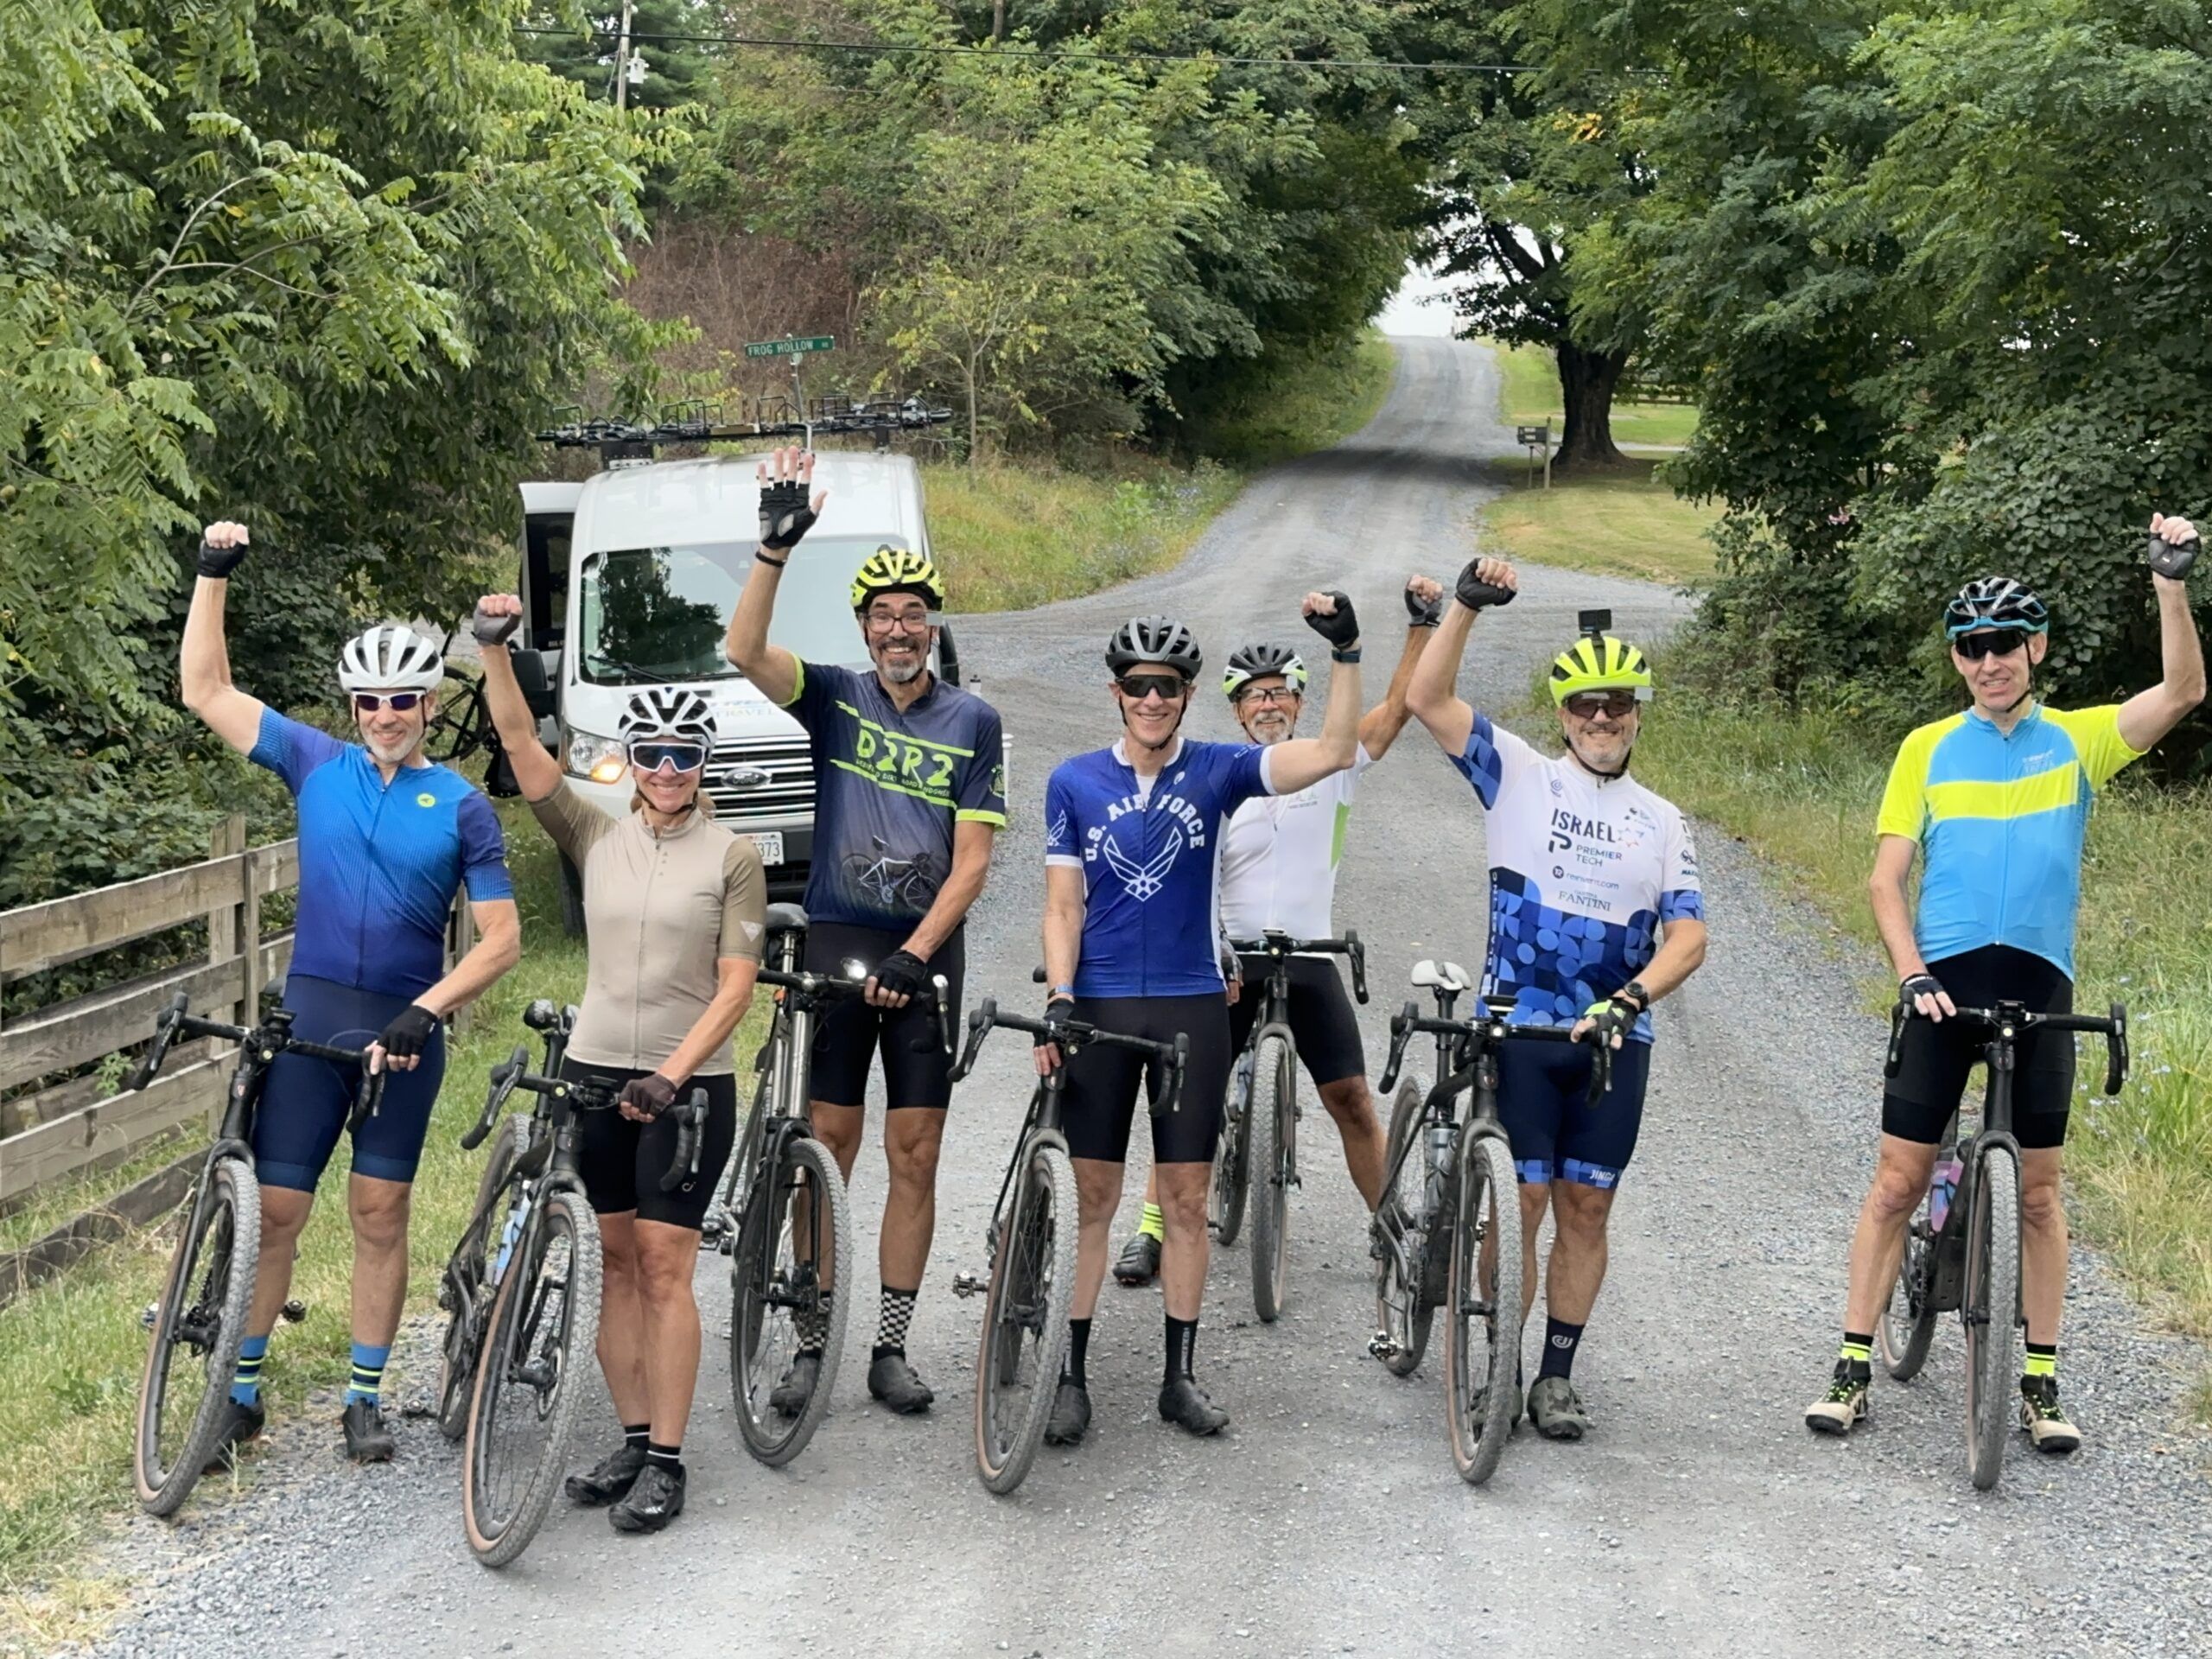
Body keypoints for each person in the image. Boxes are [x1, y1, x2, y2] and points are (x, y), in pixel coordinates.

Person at [1806, 523, 2204, 1451]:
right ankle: (1851, 1362)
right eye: (1970, 646)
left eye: (2003, 643)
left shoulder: (2075, 742)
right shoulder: (1927, 749)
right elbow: (1882, 879)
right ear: (1956, 657)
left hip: (2039, 989)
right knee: (1895, 1180)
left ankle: (2038, 1381)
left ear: (2036, 649)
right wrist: (1909, 974)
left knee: (2037, 1193)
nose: (1987, 661)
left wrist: (2168, 586)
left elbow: (2184, 692)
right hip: (1940, 985)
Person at [178, 522, 520, 1464]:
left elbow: (503, 940)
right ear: (353, 704)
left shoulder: (460, 803)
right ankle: (238, 1390)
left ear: (427, 702)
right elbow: (204, 689)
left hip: (405, 1034)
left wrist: (429, 1008)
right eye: (371, 700)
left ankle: (364, 1396)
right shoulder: (313, 763)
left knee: (379, 1214)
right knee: (279, 1213)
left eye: (403, 700)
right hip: (313, 1021)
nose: (386, 714)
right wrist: (213, 576)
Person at [1037, 600, 1364, 1445]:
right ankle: (1067, 1376)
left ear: (1188, 696)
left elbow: (1330, 752)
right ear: (1117, 693)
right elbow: (1063, 903)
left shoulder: (1219, 771)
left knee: (1184, 1200)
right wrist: (1060, 999)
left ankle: (1178, 1378)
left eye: (1170, 687)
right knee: (1094, 1199)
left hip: (1190, 1004)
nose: (1153, 700)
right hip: (1104, 1006)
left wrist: (1347, 652)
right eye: (1140, 686)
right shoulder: (1073, 782)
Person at [722, 447, 1007, 1417]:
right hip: (841, 937)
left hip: (922, 951)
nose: (898, 629)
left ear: (932, 626)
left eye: (913, 614)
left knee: (914, 1151)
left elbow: (973, 863)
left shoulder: (975, 722)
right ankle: (811, 1336)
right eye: (883, 616)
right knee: (830, 1145)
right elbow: (744, 653)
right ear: (864, 628)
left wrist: (917, 952)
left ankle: (889, 1345)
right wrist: (773, 551)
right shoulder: (835, 697)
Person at [474, 596, 764, 1532]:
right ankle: (634, 1436)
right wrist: (493, 651)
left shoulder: (734, 854)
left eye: (685, 756)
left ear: (702, 764)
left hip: (688, 1090)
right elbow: (522, 748)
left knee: (666, 1264)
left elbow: (735, 988)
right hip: (597, 1071)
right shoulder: (596, 832)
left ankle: (671, 1459)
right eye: (652, 756)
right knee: (613, 1260)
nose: (668, 771)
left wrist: (672, 1075)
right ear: (632, 765)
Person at [1403, 557, 1708, 1441]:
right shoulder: (1520, 776)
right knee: (1523, 1204)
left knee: (1587, 1207)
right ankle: (1497, 1355)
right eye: (1584, 706)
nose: (1601, 718)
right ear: (1564, 716)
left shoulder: (1663, 820)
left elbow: (1688, 934)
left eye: (1616, 704)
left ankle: (1557, 1375)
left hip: (1613, 1042)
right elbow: (1428, 698)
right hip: (1521, 1033)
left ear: (1637, 712)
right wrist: (1462, 607)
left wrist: (1630, 1000)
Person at [1111, 576, 1446, 1287]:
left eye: (1281, 692)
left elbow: (1391, 714)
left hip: (1310, 953)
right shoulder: (1219, 776)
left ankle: (1391, 1228)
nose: (1268, 704)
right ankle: (1148, 1230)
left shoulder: (1333, 762)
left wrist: (1420, 625)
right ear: (1236, 711)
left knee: (1353, 1100)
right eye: (1253, 696)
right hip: (1229, 958)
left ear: (1300, 702)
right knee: (1190, 1102)